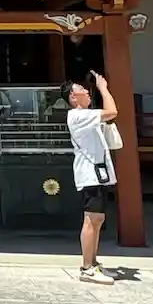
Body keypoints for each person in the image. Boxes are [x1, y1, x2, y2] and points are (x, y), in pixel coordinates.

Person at [64, 70, 118, 285]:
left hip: (99, 174)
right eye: (82, 90)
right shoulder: (77, 116)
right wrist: (103, 88)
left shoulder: (88, 116)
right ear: (73, 97)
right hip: (89, 174)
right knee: (91, 218)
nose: (87, 92)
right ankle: (87, 267)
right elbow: (112, 111)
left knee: (98, 218)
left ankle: (93, 262)